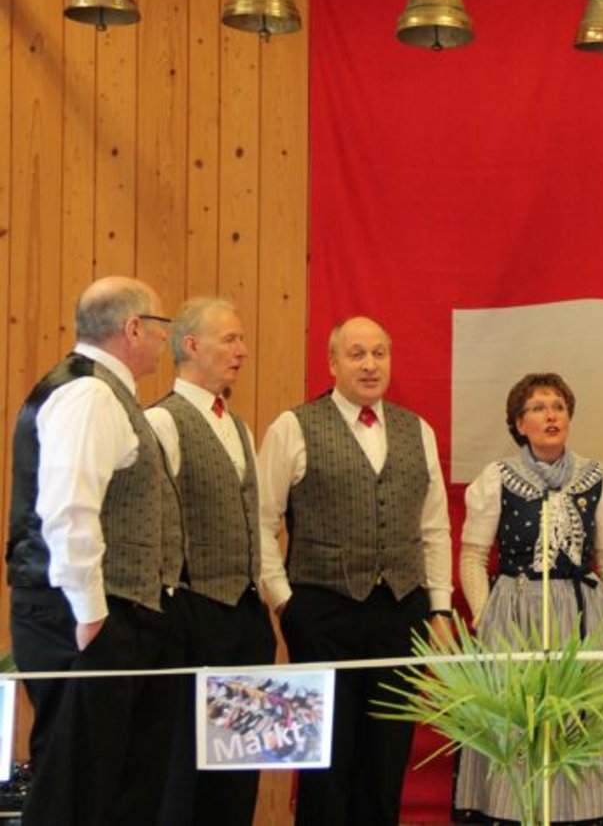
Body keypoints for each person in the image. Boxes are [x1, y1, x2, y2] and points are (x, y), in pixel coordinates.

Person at [258, 315, 453, 826]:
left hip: (401, 610)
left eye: (379, 353)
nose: (370, 365)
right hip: (321, 612)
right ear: (332, 363)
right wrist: (284, 600)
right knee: (324, 759)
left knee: (386, 757)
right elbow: (260, 520)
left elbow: (434, 527)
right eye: (356, 354)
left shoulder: (418, 430)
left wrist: (439, 607)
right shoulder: (293, 427)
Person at [7, 276, 184, 824]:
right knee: (75, 790)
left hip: (102, 614)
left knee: (111, 785)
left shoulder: (98, 391)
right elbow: (68, 510)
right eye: (161, 326)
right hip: (84, 616)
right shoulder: (90, 394)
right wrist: (90, 615)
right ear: (133, 328)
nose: (165, 338)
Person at [454, 371, 603, 822]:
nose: (550, 415)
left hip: (581, 613)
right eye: (538, 408)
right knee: (518, 720)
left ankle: (583, 811)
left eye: (558, 407)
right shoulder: (497, 478)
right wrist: (486, 615)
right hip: (517, 613)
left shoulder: (598, 477)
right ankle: (513, 809)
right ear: (520, 424)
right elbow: (473, 556)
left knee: (580, 718)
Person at [147, 298, 276, 826]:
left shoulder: (239, 427)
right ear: (191, 345)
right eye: (230, 339)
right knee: (186, 771)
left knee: (239, 767)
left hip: (245, 617)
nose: (242, 350)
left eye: (242, 339)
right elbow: (154, 524)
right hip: (191, 614)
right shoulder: (162, 421)